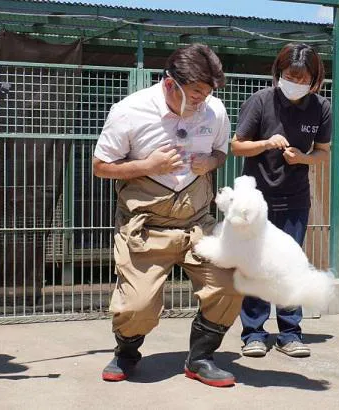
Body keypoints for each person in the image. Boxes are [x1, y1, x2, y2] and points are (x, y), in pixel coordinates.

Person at [93, 43, 242, 387]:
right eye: (195, 93)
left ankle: (201, 357)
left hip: (197, 223)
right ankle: (127, 352)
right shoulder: (129, 111)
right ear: (169, 83)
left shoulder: (214, 111)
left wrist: (212, 161)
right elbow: (100, 167)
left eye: (207, 93)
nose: (201, 101)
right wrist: (147, 165)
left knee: (232, 283)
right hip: (146, 226)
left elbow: (222, 151)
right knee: (137, 307)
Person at [231, 43, 331, 359]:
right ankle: (254, 334)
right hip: (257, 201)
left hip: (296, 199)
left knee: (289, 265)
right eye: (290, 76)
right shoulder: (260, 102)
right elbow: (236, 146)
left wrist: (303, 157)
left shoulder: (321, 108)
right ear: (278, 74)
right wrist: (265, 143)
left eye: (302, 78)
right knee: (255, 265)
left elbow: (323, 153)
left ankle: (290, 333)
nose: (295, 83)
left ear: (314, 80)